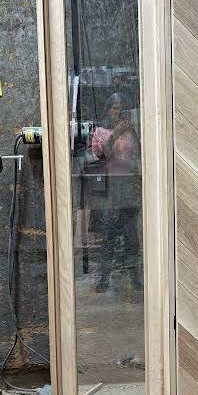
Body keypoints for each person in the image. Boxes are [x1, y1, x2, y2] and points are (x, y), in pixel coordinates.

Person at [88, 92, 142, 292]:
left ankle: (134, 276)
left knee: (131, 233)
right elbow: (102, 156)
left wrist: (131, 133)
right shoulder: (100, 131)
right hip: (110, 187)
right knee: (109, 233)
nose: (119, 112)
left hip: (129, 185)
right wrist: (116, 134)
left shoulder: (130, 130)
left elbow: (138, 155)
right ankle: (104, 278)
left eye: (122, 108)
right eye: (115, 108)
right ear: (108, 110)